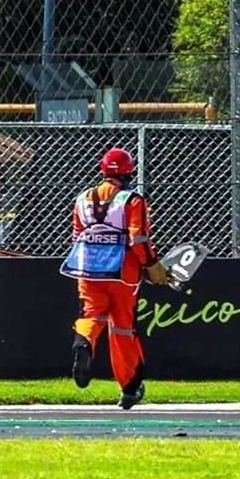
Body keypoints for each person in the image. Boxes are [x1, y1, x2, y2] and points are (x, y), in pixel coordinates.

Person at [59, 148, 169, 409]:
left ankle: (83, 343)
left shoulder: (82, 198)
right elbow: (138, 239)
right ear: (130, 171)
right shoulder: (132, 200)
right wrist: (152, 265)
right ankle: (129, 388)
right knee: (122, 327)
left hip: (87, 269)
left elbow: (76, 236)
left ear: (103, 169)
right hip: (122, 273)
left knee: (90, 315)